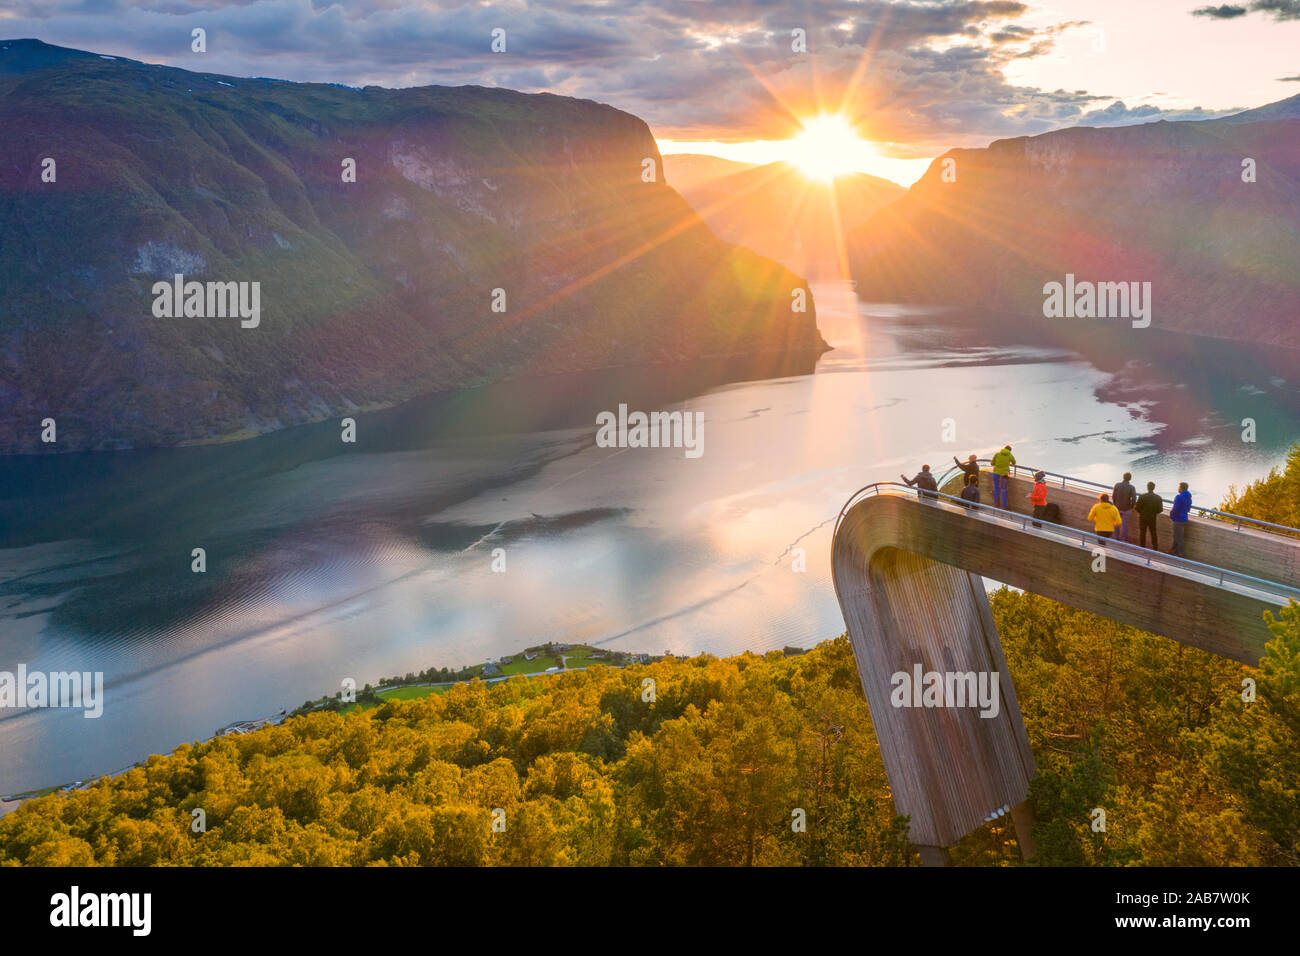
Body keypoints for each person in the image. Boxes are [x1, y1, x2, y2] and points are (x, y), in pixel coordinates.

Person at [1135, 481, 1163, 550]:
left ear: (1147, 487)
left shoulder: (1142, 496)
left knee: (1142, 532)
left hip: (1143, 517)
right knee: (1153, 533)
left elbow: (1137, 507)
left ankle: (1142, 548)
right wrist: (1154, 512)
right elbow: (1160, 510)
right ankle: (1155, 548)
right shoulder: (1158, 498)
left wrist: (1141, 512)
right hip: (1152, 517)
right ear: (1154, 488)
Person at [1111, 471, 1137, 543]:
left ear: (1123, 477)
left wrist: (1115, 504)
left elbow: (1113, 496)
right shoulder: (1131, 487)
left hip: (1117, 507)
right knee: (1125, 525)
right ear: (1130, 478)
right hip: (1126, 509)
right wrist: (1131, 507)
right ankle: (1123, 539)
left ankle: (1116, 537)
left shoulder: (1117, 485)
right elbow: (1134, 499)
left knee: (1116, 523)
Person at [1170, 481, 1192, 556]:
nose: (1178, 488)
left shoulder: (1179, 497)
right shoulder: (1188, 497)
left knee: (1179, 537)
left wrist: (1171, 515)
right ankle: (1172, 551)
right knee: (1177, 535)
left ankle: (1181, 554)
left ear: (1181, 488)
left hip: (1178, 519)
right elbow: (1188, 509)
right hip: (1184, 518)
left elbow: (1175, 509)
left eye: (1178, 487)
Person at [990, 445, 1015, 509]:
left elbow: (992, 463)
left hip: (996, 474)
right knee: (1003, 490)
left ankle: (996, 504)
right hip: (1003, 475)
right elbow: (1014, 462)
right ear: (1010, 450)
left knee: (996, 489)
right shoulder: (1010, 455)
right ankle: (1004, 506)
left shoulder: (997, 454)